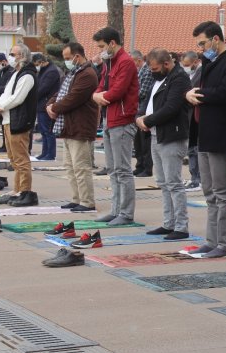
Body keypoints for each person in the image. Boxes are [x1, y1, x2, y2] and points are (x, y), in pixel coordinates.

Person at [186, 21, 226, 258]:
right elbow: (196, 88)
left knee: (222, 191)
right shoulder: (208, 62)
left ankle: (225, 242)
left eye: (203, 43)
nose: (201, 48)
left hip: (222, 133)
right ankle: (211, 241)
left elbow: (225, 92)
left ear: (216, 39)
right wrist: (190, 93)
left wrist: (196, 95)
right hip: (205, 132)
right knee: (209, 191)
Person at [137, 48, 192, 240]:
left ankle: (181, 226)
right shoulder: (159, 78)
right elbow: (149, 100)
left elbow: (171, 107)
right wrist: (140, 116)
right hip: (156, 135)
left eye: (155, 68)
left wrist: (147, 120)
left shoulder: (179, 78)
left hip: (172, 136)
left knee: (174, 182)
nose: (152, 71)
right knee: (162, 182)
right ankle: (168, 223)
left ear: (167, 64)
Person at [92, 27, 140, 225]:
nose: (100, 50)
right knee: (112, 169)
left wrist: (99, 97)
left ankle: (126, 213)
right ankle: (116, 209)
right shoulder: (109, 62)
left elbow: (117, 92)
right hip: (109, 119)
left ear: (112, 43)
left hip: (122, 119)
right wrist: (97, 94)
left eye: (102, 46)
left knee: (122, 169)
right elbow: (102, 85)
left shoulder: (126, 62)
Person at [47, 43, 100, 212]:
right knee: (70, 167)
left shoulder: (87, 74)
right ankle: (76, 198)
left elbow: (73, 97)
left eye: (68, 58)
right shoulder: (73, 72)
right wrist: (49, 105)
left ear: (78, 56)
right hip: (68, 126)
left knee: (81, 167)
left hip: (80, 126)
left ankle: (87, 201)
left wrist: (54, 108)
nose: (66, 62)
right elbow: (60, 92)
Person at [0, 44, 39, 206]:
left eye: (13, 54)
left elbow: (18, 98)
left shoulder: (28, 75)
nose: (10, 57)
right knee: (13, 159)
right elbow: (6, 93)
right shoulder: (16, 73)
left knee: (21, 159)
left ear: (22, 56)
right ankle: (17, 189)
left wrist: (1, 107)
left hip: (19, 121)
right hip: (8, 119)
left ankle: (25, 191)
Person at [32, 53, 62, 161]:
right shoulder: (43, 71)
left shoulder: (51, 71)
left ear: (42, 62)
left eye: (37, 64)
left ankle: (50, 154)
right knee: (43, 131)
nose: (37, 66)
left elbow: (43, 89)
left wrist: (33, 96)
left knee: (48, 131)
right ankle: (44, 152)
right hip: (41, 105)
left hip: (46, 104)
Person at [131, 50, 154, 177]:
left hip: (144, 111)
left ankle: (147, 168)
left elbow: (142, 93)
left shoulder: (147, 72)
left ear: (139, 60)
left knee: (145, 143)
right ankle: (139, 166)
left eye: (132, 62)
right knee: (137, 142)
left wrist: (129, 94)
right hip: (137, 110)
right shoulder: (139, 71)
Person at [182, 51, 202, 192]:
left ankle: (198, 179)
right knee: (192, 150)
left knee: (195, 150)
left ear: (195, 61)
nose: (186, 68)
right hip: (190, 116)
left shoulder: (201, 72)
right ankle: (194, 177)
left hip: (196, 116)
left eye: (188, 65)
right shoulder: (191, 73)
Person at [0, 53, 14, 153]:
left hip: (6, 102)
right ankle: (4, 145)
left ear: (4, 61)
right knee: (2, 126)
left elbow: (8, 87)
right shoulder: (0, 72)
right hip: (0, 100)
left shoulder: (10, 71)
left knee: (6, 126)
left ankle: (7, 145)